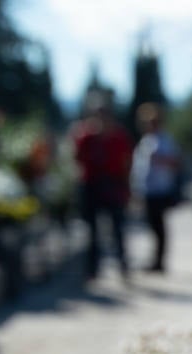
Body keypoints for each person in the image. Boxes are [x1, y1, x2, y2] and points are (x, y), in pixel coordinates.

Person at [72, 99, 133, 280]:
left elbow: (126, 162)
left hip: (113, 184)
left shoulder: (119, 136)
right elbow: (77, 159)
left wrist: (126, 186)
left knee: (117, 228)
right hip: (92, 185)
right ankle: (92, 268)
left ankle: (122, 265)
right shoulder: (85, 136)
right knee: (92, 231)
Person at [132, 103, 181, 273]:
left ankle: (160, 261)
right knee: (151, 226)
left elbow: (175, 163)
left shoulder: (165, 140)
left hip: (160, 190)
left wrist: (159, 159)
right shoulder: (146, 141)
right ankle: (155, 259)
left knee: (159, 227)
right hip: (147, 190)